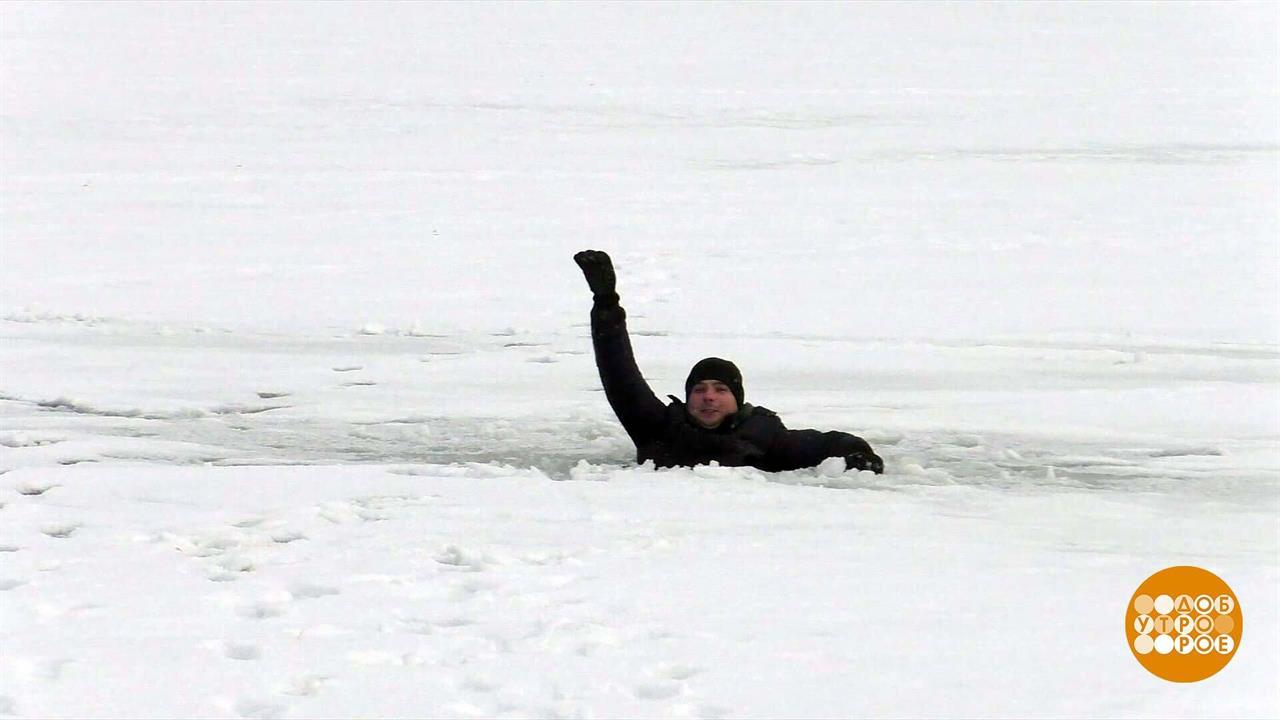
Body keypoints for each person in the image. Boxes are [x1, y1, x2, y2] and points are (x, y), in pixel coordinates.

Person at [574, 249, 884, 474]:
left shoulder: (765, 434)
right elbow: (620, 374)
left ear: (738, 399)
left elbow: (832, 443)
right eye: (699, 389)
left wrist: (861, 455)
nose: (708, 396)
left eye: (720, 389)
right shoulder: (659, 426)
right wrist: (606, 304)